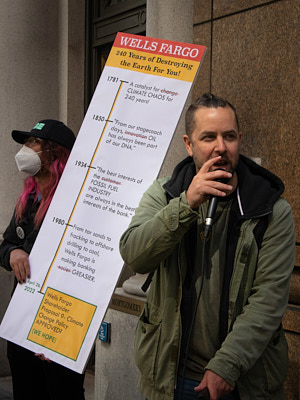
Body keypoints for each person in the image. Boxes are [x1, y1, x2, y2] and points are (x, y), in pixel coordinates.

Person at [119, 93, 295, 400]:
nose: (221, 147)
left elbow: (269, 298)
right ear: (189, 144)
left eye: (229, 136)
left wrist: (227, 365)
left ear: (240, 139)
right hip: (171, 375)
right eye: (208, 137)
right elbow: (135, 254)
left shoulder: (271, 209)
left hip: (243, 378)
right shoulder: (164, 193)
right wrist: (185, 204)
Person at [0, 119, 86, 400]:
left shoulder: (77, 202)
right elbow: (7, 244)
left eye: (32, 143)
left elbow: (84, 271)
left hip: (60, 324)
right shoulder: (29, 197)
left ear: (54, 152)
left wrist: (60, 333)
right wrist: (12, 253)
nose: (25, 150)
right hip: (23, 318)